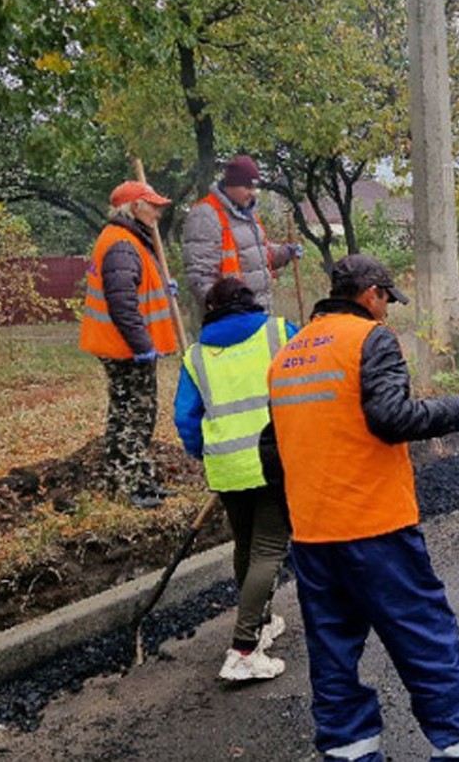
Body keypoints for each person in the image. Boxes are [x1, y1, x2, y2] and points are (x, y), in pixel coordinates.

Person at [268, 254, 459, 762]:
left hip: (313, 538)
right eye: (387, 299)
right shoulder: (370, 339)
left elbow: (270, 449)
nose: (388, 310)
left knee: (333, 656)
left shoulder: (288, 355)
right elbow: (390, 416)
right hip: (376, 530)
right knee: (425, 640)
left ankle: (350, 755)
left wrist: (302, 514)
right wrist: (457, 409)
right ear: (371, 294)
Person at [173, 276, 296, 681]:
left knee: (246, 545)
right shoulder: (279, 333)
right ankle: (244, 649)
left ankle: (260, 624)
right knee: (268, 549)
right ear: (250, 303)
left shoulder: (196, 356)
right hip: (275, 460)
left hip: (226, 467)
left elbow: (186, 417)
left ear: (210, 310)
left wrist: (203, 451)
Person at [79, 180, 180, 510]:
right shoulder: (122, 245)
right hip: (125, 349)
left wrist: (165, 289)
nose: (157, 212)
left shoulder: (129, 240)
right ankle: (127, 485)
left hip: (126, 346)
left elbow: (136, 288)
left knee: (140, 414)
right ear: (134, 207)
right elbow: (122, 303)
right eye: (151, 205)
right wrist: (141, 345)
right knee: (130, 417)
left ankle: (140, 479)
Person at [182, 153, 303, 313]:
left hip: (259, 314)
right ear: (229, 185)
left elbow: (255, 255)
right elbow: (200, 277)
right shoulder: (206, 215)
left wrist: (285, 252)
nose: (253, 193)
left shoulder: (249, 213)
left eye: (254, 187)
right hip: (232, 320)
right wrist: (223, 312)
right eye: (247, 187)